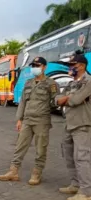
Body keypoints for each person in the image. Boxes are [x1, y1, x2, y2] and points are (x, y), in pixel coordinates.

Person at [0, 57, 58, 186]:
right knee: (19, 146)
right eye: (33, 65)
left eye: (38, 65)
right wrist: (19, 119)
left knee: (41, 149)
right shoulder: (28, 83)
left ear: (44, 67)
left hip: (42, 121)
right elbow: (23, 102)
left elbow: (55, 102)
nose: (35, 68)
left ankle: (37, 173)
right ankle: (13, 171)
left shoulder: (51, 84)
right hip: (27, 120)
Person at [56, 54, 91, 200]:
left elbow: (76, 100)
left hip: (83, 124)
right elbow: (57, 99)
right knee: (69, 156)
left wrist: (66, 99)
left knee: (82, 158)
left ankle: (86, 192)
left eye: (72, 65)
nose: (70, 68)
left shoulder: (89, 81)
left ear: (82, 65)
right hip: (69, 123)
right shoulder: (71, 83)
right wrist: (63, 99)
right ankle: (75, 184)